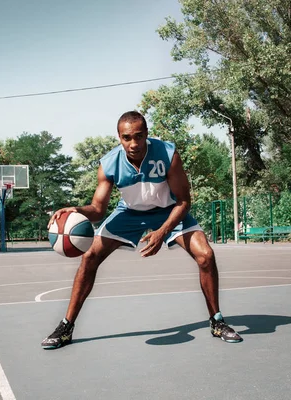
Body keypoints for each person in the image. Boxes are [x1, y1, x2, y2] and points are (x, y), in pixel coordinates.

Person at [41, 111, 242, 349]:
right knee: (90, 257)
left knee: (206, 255)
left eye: (139, 136)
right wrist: (74, 210)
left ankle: (216, 321)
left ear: (146, 134)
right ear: (119, 137)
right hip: (129, 213)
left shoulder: (167, 154)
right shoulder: (109, 164)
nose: (134, 143)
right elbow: (97, 209)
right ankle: (66, 326)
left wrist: (163, 231)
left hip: (169, 211)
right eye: (127, 138)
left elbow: (184, 201)